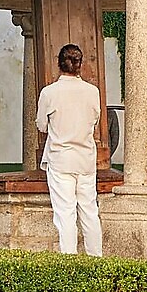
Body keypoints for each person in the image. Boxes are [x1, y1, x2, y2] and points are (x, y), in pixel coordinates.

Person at [36, 43, 103, 256]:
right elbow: (95, 119)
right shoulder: (92, 92)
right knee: (90, 212)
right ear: (80, 65)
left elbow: (41, 125)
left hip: (60, 158)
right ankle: (96, 259)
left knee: (65, 214)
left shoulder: (49, 92)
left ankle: (70, 261)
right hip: (85, 158)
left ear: (59, 64)